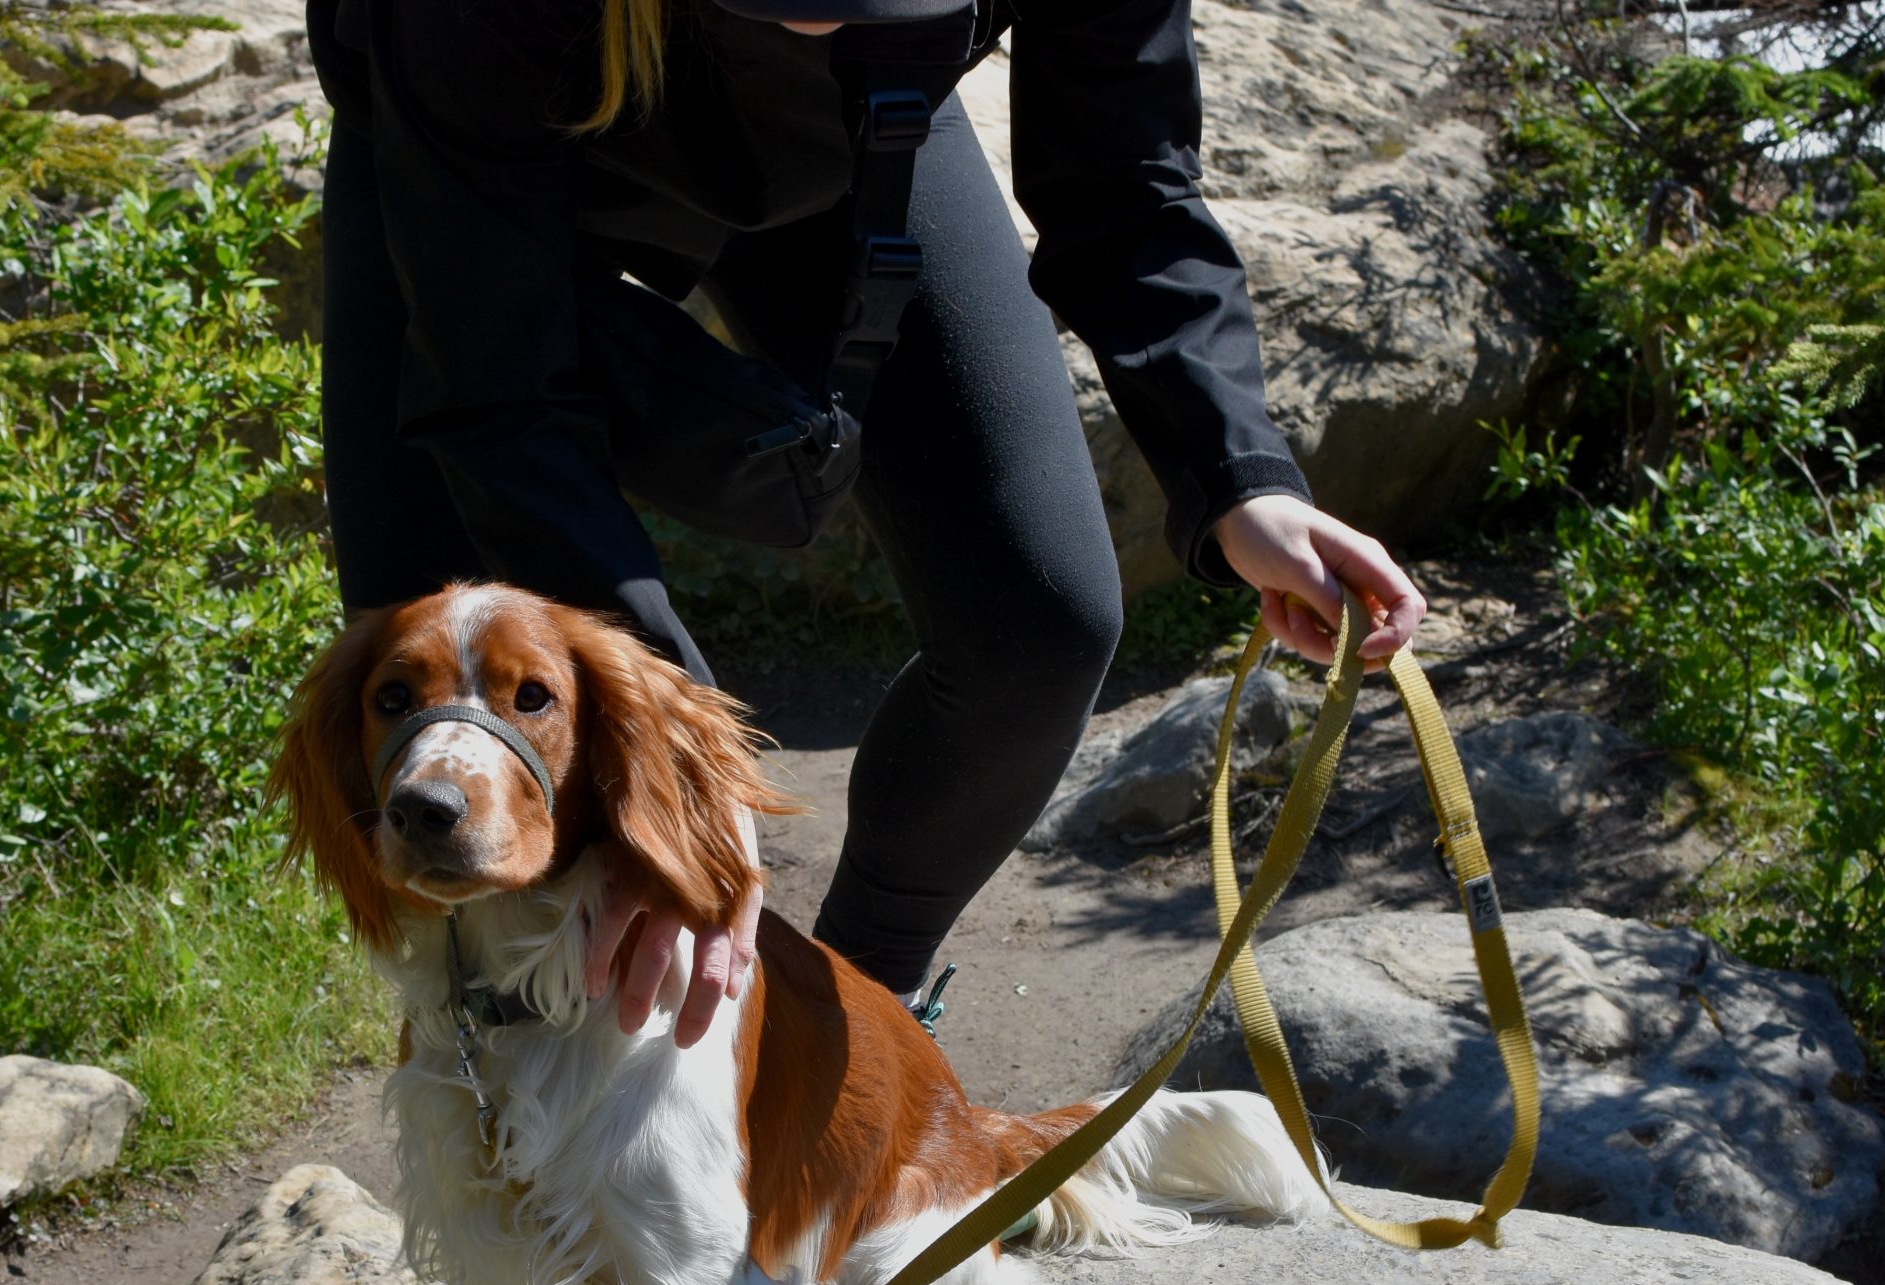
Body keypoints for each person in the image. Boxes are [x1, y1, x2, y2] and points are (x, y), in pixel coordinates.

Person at [309, 0, 1426, 1043]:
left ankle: (844, 1022)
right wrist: (683, 777)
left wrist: (1239, 473)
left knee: (1037, 619)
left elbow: (1122, 173)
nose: (815, 10)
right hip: (463, 171)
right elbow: (496, 395)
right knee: (448, 688)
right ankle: (500, 1098)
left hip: (844, 146)